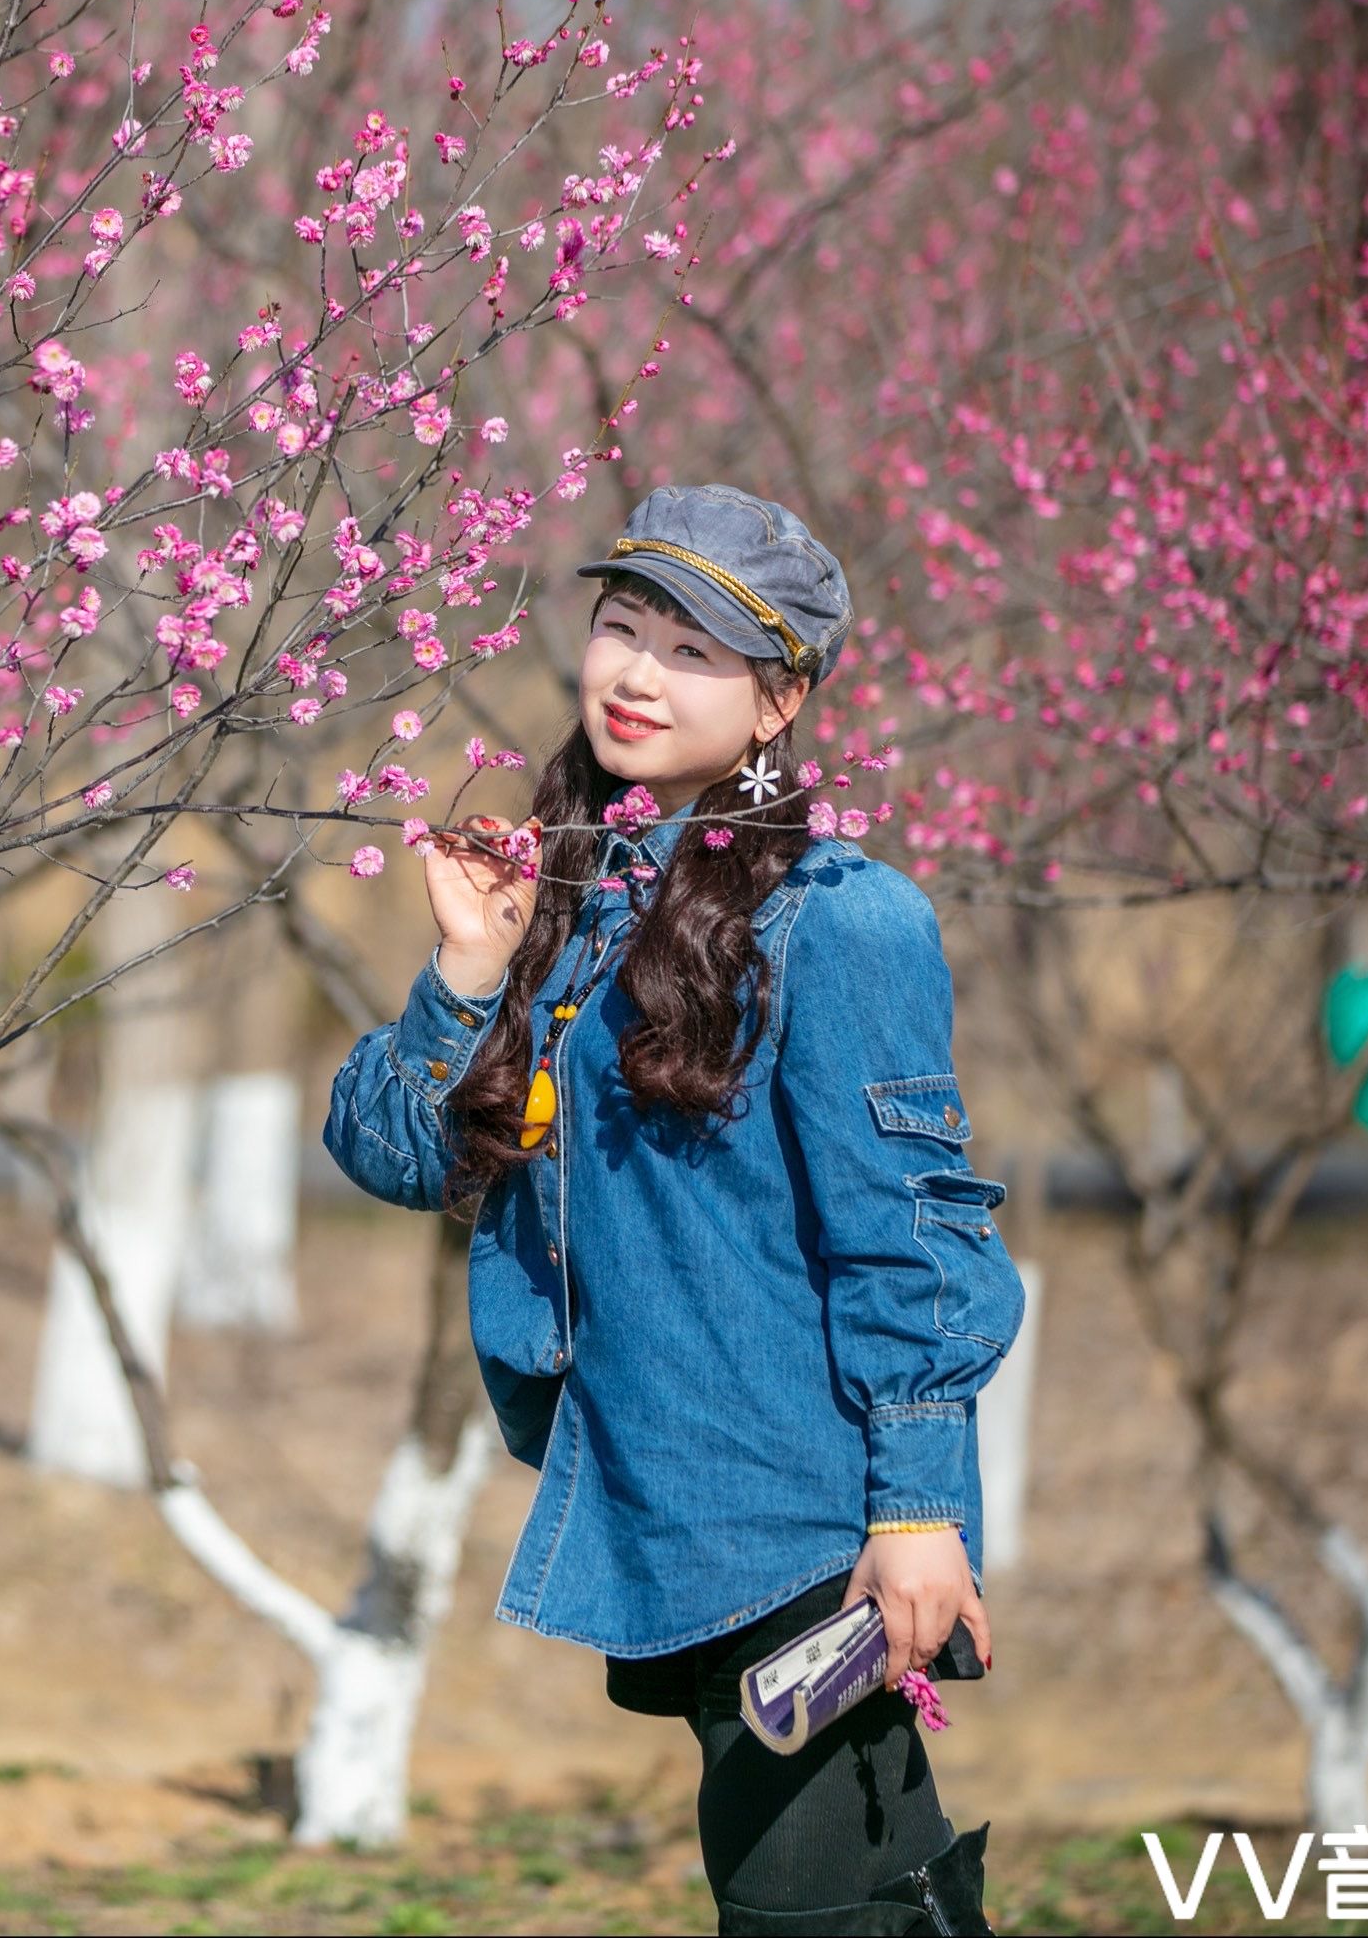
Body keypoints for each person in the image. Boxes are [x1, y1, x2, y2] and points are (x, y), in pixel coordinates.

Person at [323, 484, 1024, 1935]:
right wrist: (464, 972)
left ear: (779, 702)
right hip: (659, 1486)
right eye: (623, 627)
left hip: (804, 1513)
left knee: (811, 1908)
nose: (635, 674)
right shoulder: (564, 898)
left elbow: (919, 1230)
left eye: (693, 652)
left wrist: (918, 1504)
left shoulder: (842, 917)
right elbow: (396, 1157)